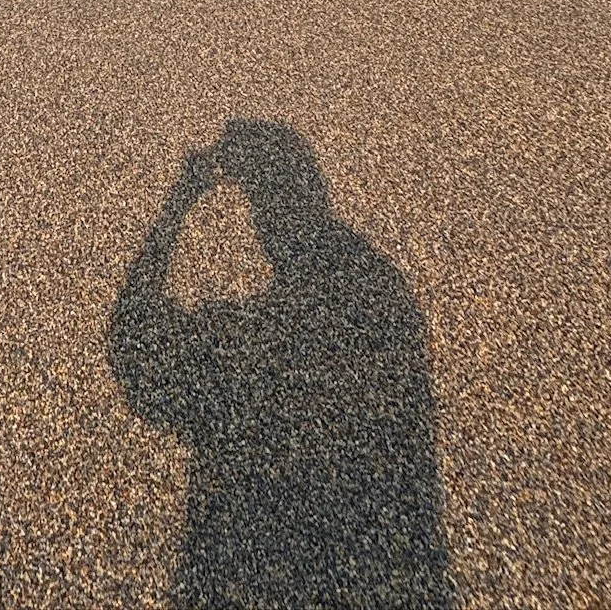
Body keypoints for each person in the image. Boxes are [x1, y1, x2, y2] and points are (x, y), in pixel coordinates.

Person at [108, 120, 455, 608]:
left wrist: (178, 206)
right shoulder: (386, 295)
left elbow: (135, 343)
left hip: (237, 580)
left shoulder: (241, 337)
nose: (254, 219)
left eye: (252, 203)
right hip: (393, 578)